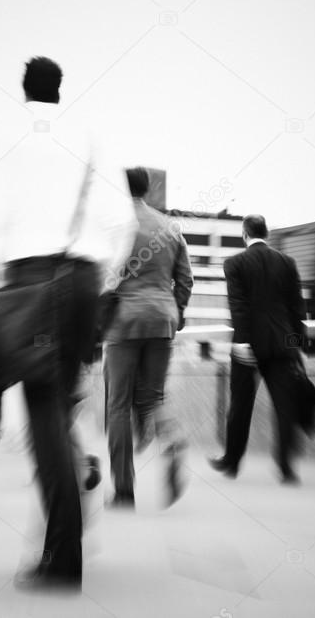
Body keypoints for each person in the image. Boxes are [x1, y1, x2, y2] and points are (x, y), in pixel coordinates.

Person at [0, 56, 135, 592]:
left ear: (24, 90)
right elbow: (124, 224)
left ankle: (63, 558)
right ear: (61, 90)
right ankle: (56, 540)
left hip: (32, 280)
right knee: (60, 412)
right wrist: (101, 282)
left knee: (45, 420)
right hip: (83, 282)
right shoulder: (88, 137)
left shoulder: (8, 137)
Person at [103, 167, 193, 508]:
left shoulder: (117, 226)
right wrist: (176, 313)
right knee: (154, 398)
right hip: (161, 320)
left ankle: (124, 490)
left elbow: (103, 277)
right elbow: (185, 279)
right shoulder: (170, 226)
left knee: (118, 405)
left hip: (124, 323)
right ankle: (171, 440)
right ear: (148, 188)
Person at [209, 214, 308, 483]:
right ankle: (286, 467)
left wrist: (241, 341)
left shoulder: (235, 263)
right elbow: (297, 309)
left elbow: (238, 305)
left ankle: (231, 461)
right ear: (267, 233)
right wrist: (297, 346)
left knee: (240, 405)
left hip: (248, 346)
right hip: (281, 345)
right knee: (284, 407)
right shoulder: (287, 262)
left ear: (244, 234)